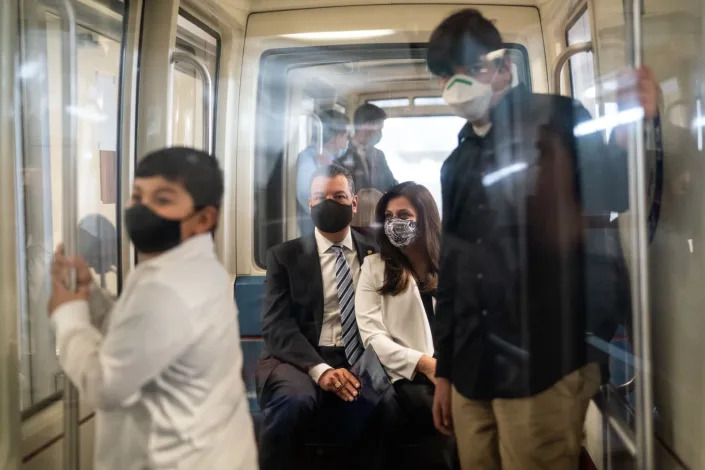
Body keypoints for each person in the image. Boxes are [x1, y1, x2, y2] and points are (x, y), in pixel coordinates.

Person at [426, 9, 660, 470]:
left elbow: (613, 190)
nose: (458, 85)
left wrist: (638, 120)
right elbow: (452, 274)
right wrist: (445, 374)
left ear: (503, 68)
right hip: (473, 371)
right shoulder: (456, 163)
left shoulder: (556, 118)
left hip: (545, 365)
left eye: (470, 69)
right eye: (446, 76)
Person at [48, 147, 257, 470]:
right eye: (137, 196)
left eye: (162, 199)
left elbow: (104, 386)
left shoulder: (167, 288)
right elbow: (135, 337)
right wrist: (91, 298)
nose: (142, 209)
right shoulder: (192, 268)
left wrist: (68, 314)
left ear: (204, 218)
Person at [256, 164, 382, 470]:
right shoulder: (283, 256)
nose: (328, 203)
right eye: (319, 196)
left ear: (354, 203)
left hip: (363, 353)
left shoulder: (377, 253)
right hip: (297, 357)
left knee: (386, 401)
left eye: (338, 196)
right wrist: (321, 370)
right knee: (293, 400)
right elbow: (277, 326)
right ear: (309, 203)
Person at [355, 182, 457, 469]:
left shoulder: (451, 266)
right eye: (388, 217)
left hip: (453, 371)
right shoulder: (375, 268)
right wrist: (424, 364)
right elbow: (373, 337)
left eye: (404, 215)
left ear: (425, 218)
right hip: (405, 375)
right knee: (437, 415)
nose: (394, 224)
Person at [296, 109, 350, 234]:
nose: (348, 140)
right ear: (337, 137)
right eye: (346, 135)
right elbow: (307, 196)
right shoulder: (308, 159)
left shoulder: (332, 156)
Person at [335, 103, 397, 193]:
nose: (380, 133)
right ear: (365, 125)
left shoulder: (379, 155)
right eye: (378, 128)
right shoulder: (341, 153)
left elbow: (391, 184)